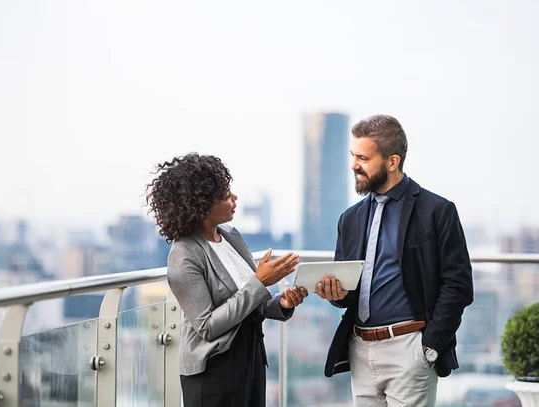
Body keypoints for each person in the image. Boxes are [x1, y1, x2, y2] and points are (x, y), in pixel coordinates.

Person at [315, 114, 474, 406]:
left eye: (363, 157)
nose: (354, 165)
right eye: (353, 155)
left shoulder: (437, 211)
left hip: (410, 349)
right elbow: (348, 295)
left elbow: (459, 285)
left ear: (392, 161)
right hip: (360, 349)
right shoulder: (349, 219)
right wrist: (335, 294)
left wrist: (429, 348)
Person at [146, 153, 307, 407]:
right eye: (225, 196)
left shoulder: (231, 236)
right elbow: (207, 326)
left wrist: (283, 303)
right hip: (213, 371)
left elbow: (254, 302)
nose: (234, 198)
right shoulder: (184, 254)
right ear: (200, 206)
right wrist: (260, 282)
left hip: (251, 359)